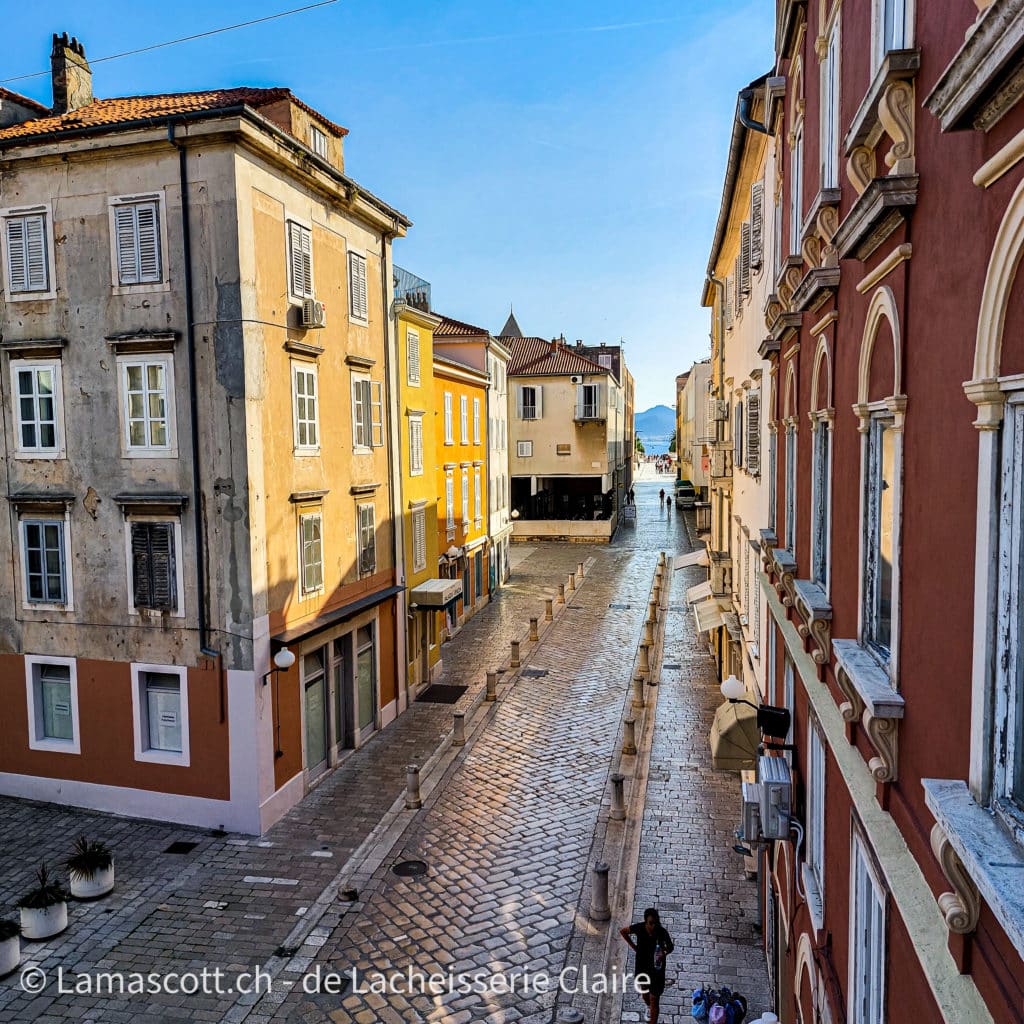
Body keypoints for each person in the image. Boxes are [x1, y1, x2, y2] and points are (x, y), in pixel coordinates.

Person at [620, 909, 674, 1024]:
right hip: (642, 968)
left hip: (657, 971)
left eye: (655, 922)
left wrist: (663, 953)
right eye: (651, 923)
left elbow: (670, 947)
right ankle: (649, 1006)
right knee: (645, 994)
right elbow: (623, 931)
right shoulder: (639, 928)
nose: (653, 925)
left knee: (655, 1000)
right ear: (646, 922)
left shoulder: (661, 932)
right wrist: (634, 947)